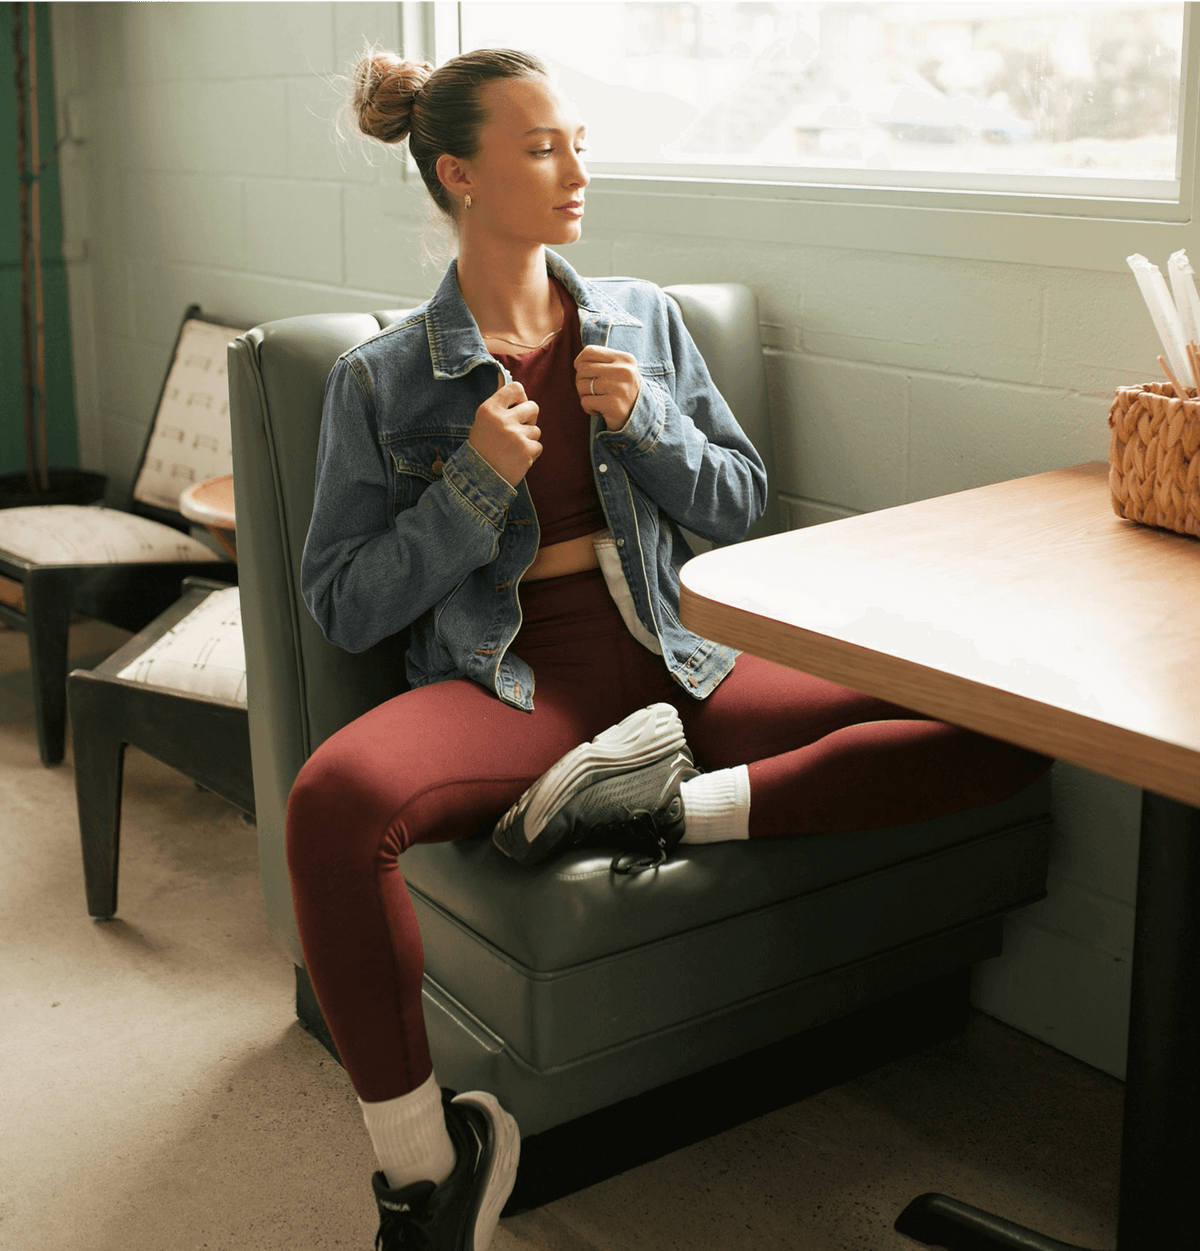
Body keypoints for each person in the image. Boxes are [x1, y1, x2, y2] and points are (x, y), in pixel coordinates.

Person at [288, 46, 1049, 1251]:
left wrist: (643, 422)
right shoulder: (376, 381)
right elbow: (340, 604)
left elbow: (740, 502)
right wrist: (471, 488)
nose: (579, 168)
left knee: (1005, 729)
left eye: (579, 138)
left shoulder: (645, 318)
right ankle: (428, 1181)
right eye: (543, 147)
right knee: (331, 805)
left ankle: (646, 812)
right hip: (516, 683)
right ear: (460, 175)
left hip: (683, 652)